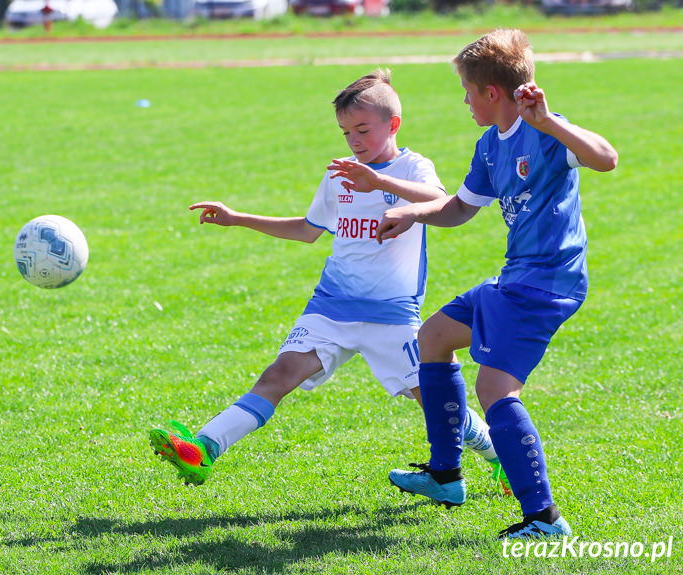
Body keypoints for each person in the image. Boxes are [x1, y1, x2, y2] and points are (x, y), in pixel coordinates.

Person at [148, 69, 511, 495]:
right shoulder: (340, 175)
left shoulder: (414, 166)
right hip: (331, 306)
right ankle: (204, 447)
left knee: (436, 403)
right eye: (345, 133)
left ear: (393, 124)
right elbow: (307, 229)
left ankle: (500, 458)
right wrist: (236, 218)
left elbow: (442, 202)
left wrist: (379, 181)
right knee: (277, 375)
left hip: (391, 316)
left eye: (363, 129)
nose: (354, 141)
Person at [351, 30, 617, 539]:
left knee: (495, 387)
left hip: (546, 282)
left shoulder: (545, 131)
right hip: (515, 278)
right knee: (433, 338)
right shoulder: (489, 146)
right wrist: (410, 210)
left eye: (469, 92)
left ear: (491, 93)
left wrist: (551, 124)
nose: (465, 100)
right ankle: (446, 474)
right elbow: (458, 208)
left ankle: (544, 518)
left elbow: (606, 158)